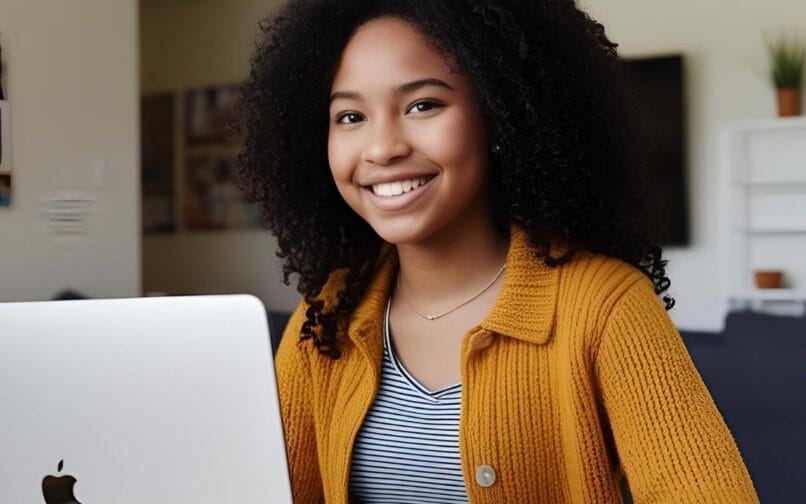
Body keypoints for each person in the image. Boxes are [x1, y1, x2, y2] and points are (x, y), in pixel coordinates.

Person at [236, 1, 758, 502]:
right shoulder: (325, 320)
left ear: (500, 114)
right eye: (350, 117)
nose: (381, 148)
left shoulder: (605, 307)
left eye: (423, 105)